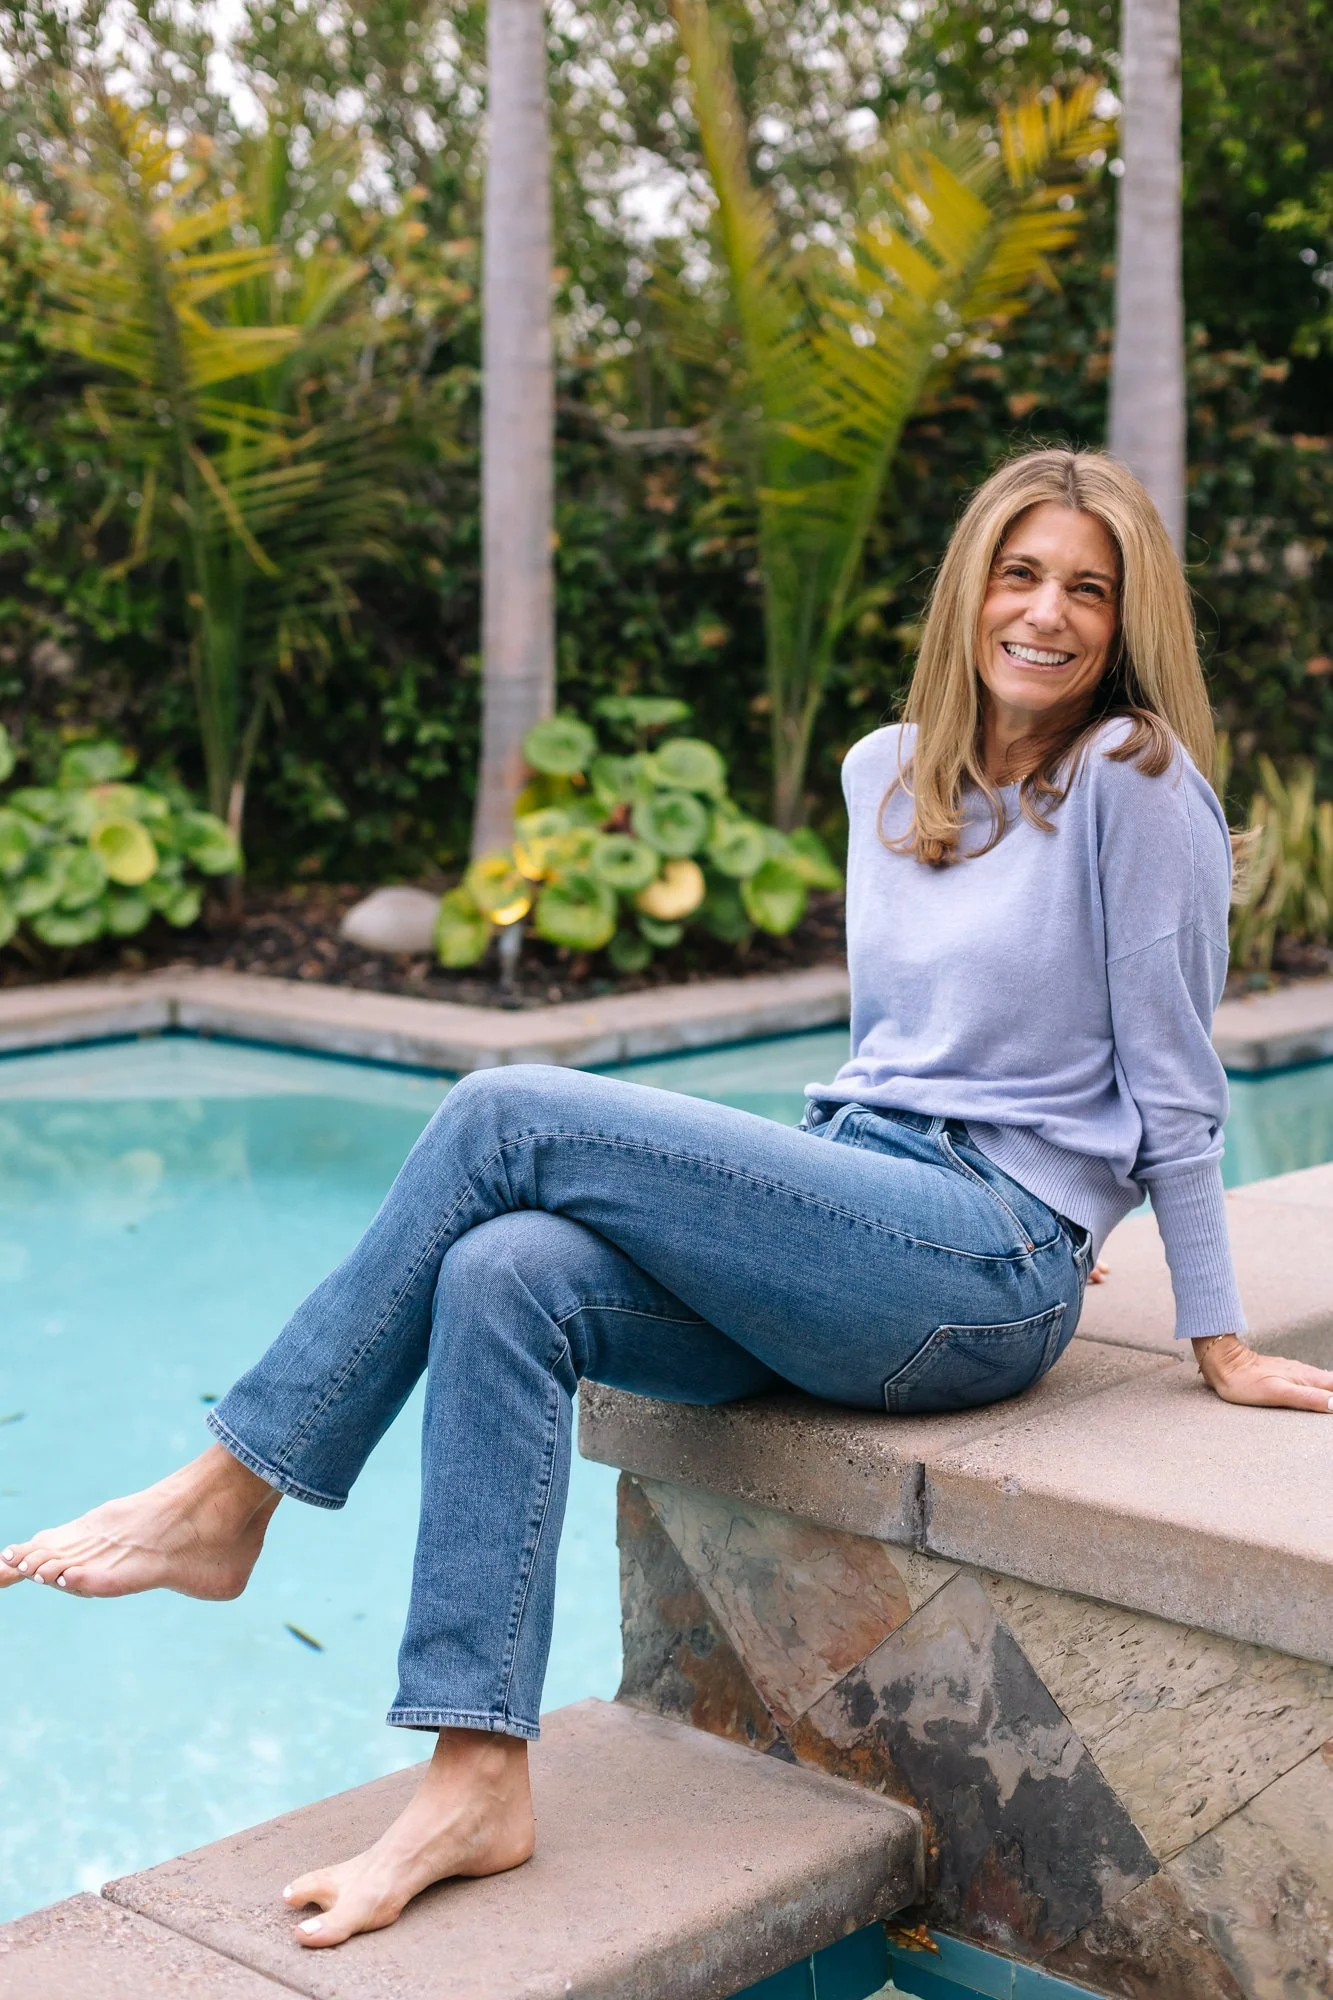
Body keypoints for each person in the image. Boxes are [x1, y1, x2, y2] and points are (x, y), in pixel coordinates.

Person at [5, 448, 1331, 1951]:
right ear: (969, 590)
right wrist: (831, 1222)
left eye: (1088, 589)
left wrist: (1207, 1329)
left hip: (986, 1259)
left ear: (1125, 619)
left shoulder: (1133, 779)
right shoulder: (883, 774)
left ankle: (232, 1490)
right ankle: (476, 1771)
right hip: (874, 1221)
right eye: (1020, 575)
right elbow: (902, 1052)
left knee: (503, 1110)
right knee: (504, 1268)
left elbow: (1173, 1079)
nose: (1048, 614)